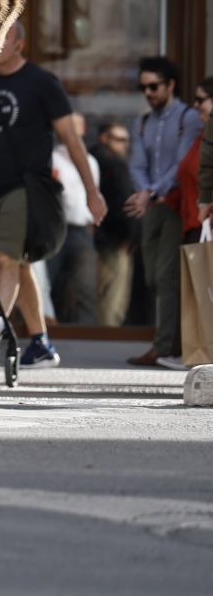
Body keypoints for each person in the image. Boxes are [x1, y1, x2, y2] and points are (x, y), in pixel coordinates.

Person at [0, 23, 105, 371]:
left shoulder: (41, 83)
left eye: (4, 40)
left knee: (4, 259)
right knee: (19, 264)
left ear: (20, 43)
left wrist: (92, 193)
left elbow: (72, 142)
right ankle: (41, 344)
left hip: (28, 189)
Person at [124, 56, 200, 368]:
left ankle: (165, 346)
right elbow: (137, 163)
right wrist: (145, 192)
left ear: (170, 85)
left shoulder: (189, 118)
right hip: (153, 205)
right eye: (143, 87)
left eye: (154, 86)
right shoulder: (142, 122)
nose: (148, 93)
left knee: (167, 277)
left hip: (177, 206)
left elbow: (180, 165)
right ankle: (173, 341)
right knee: (154, 276)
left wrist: (151, 192)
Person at [44, 112, 103, 325]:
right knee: (50, 282)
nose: (70, 130)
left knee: (84, 285)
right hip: (57, 228)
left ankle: (86, 331)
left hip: (82, 229)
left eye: (75, 125)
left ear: (84, 129)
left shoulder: (91, 162)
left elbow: (94, 195)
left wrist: (92, 228)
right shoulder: (51, 158)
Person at [92, 121, 138, 326]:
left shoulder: (95, 160)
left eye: (126, 141)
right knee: (113, 295)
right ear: (104, 138)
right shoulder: (113, 163)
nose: (124, 145)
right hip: (114, 238)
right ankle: (109, 331)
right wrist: (129, 235)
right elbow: (123, 202)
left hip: (104, 236)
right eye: (119, 139)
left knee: (107, 291)